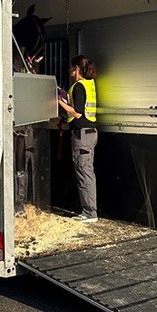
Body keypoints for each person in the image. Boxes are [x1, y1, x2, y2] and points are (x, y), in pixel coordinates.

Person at [58, 55, 98, 223]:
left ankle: (89, 212)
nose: (68, 70)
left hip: (81, 134)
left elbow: (78, 113)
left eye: (70, 67)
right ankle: (89, 210)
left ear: (76, 69)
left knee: (83, 173)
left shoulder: (78, 86)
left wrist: (59, 102)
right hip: (90, 133)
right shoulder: (89, 84)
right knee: (87, 172)